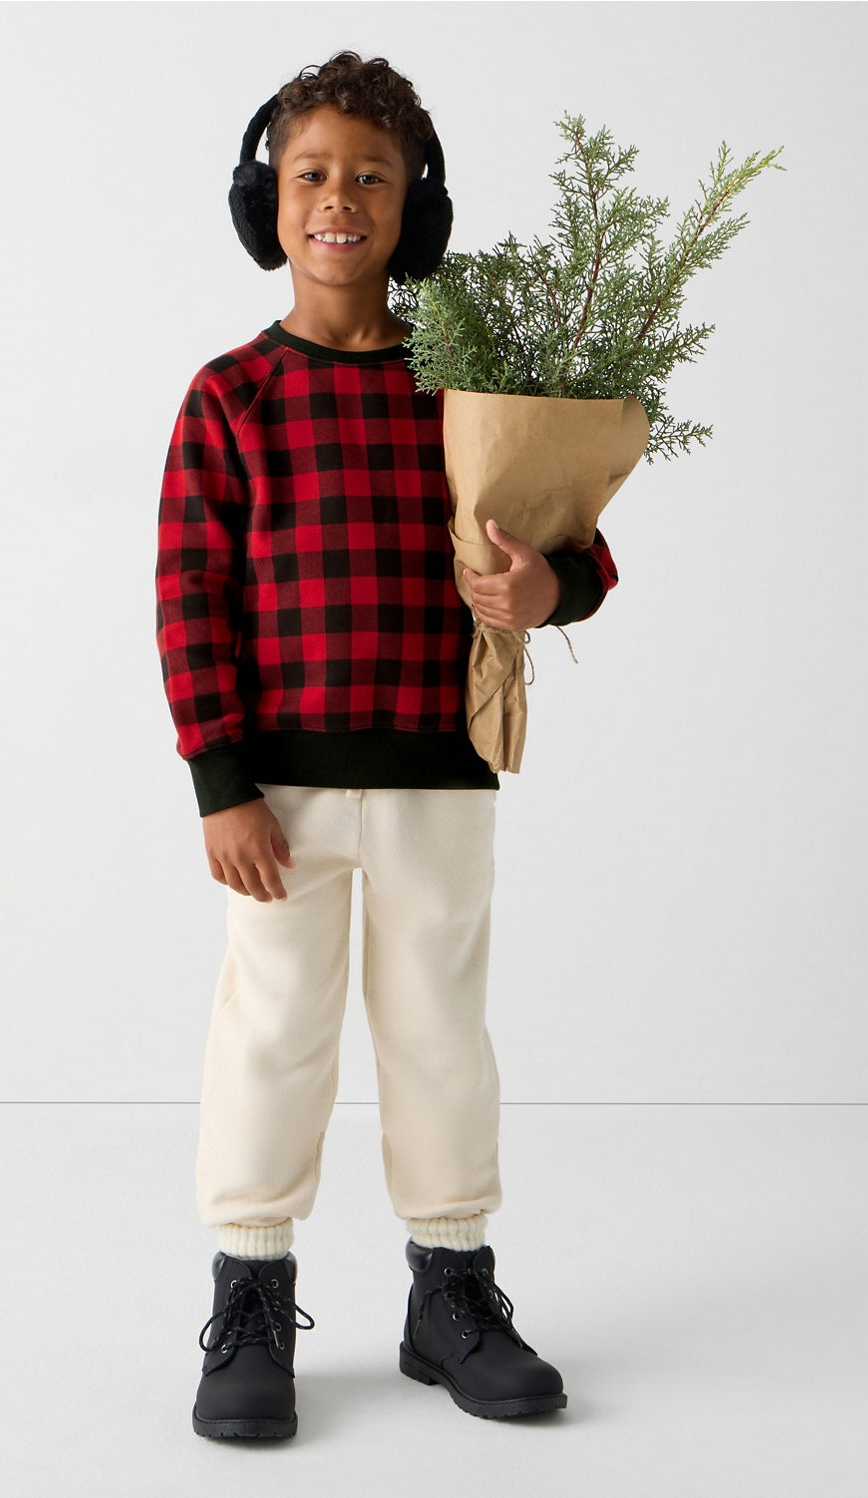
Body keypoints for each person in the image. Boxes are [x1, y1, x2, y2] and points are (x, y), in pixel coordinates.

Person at [155, 50, 617, 1440]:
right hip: (279, 795)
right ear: (267, 202)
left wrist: (544, 588)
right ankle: (250, 1291)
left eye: (372, 176)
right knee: (272, 1032)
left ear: (416, 206)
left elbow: (577, 547)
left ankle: (449, 1290)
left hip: (435, 774)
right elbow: (189, 597)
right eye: (309, 174)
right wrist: (221, 783)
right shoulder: (231, 396)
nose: (339, 198)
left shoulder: (463, 390)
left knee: (438, 1031)